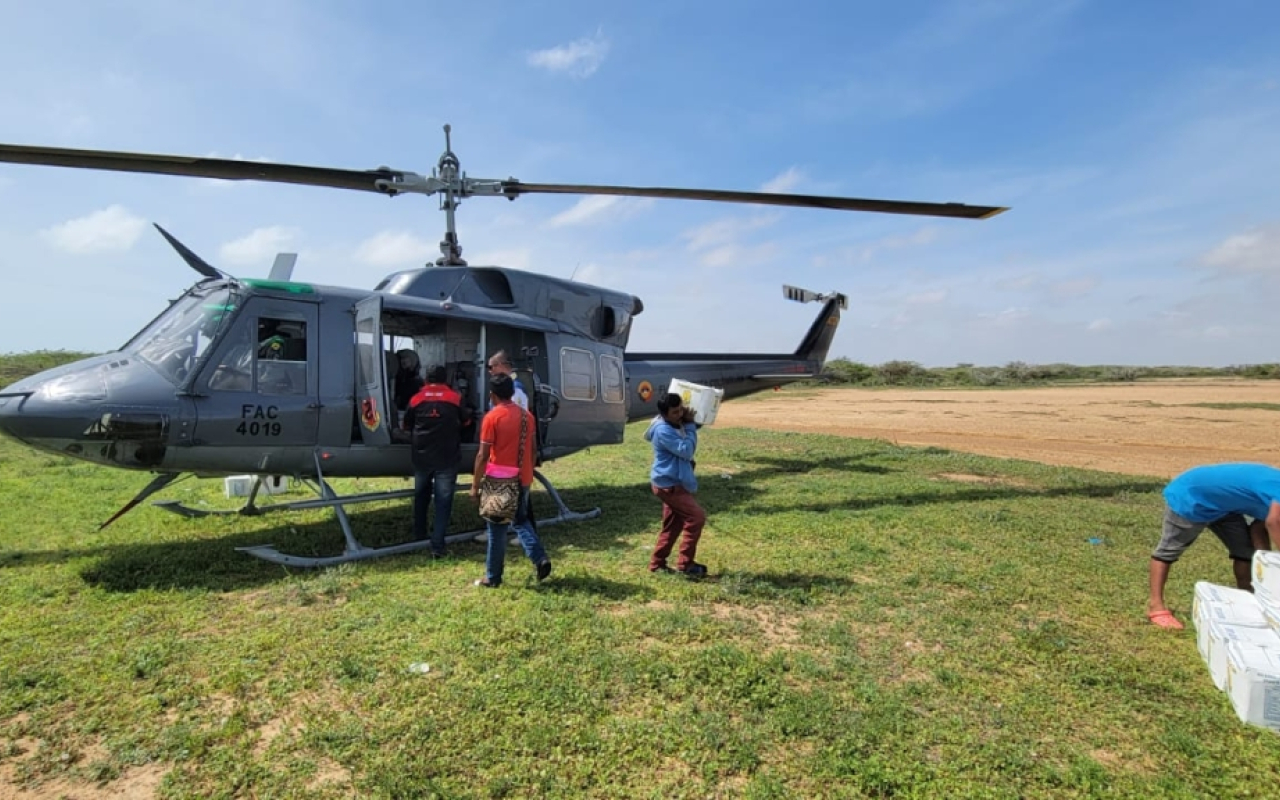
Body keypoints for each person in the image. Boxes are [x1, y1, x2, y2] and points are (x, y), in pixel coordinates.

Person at [1147, 462, 1279, 629]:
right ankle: (1156, 607)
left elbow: (1258, 528)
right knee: (1168, 552)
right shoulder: (1277, 488)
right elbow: (1273, 522)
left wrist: (1266, 564)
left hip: (1225, 507)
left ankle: (1249, 601)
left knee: (1245, 553)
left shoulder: (1273, 499)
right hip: (1192, 497)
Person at [470, 373, 551, 587]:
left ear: (492, 395)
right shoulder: (527, 417)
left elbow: (483, 455)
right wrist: (527, 472)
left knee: (496, 528)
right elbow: (533, 449)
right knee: (521, 520)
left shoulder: (492, 418)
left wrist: (475, 484)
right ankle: (539, 557)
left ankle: (493, 577)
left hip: (499, 479)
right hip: (522, 477)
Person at [403, 365, 470, 558]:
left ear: (426, 379)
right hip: (447, 457)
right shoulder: (455, 398)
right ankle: (437, 546)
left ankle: (419, 535)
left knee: (421, 496)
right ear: (445, 379)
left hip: (422, 456)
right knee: (443, 501)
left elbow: (406, 424)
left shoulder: (416, 399)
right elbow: (466, 422)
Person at [645, 393, 708, 577]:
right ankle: (686, 564)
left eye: (681, 409)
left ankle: (657, 564)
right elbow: (686, 450)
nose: (679, 414)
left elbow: (692, 427)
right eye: (675, 412)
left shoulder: (674, 423)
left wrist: (695, 419)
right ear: (664, 414)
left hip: (673, 482)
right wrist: (689, 425)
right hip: (669, 485)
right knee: (696, 518)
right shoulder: (663, 430)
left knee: (672, 527)